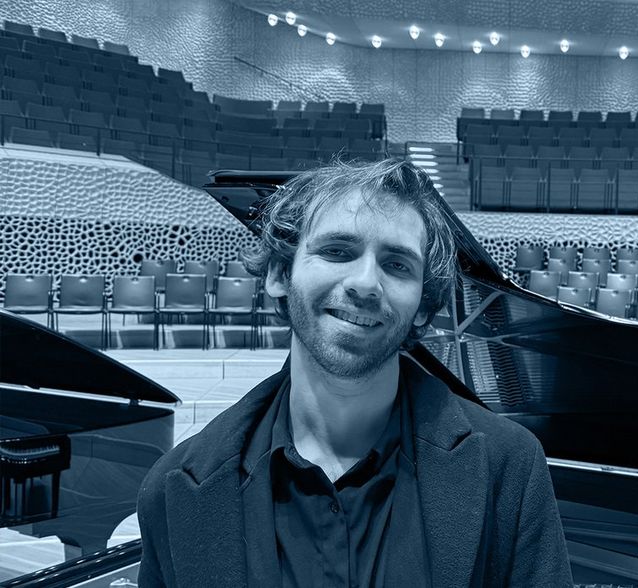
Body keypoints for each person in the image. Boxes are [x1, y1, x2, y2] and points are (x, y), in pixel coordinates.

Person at [137, 159, 572, 587]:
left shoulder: (509, 466)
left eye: (397, 264)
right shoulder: (172, 489)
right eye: (337, 251)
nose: (365, 283)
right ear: (278, 273)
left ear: (423, 305)